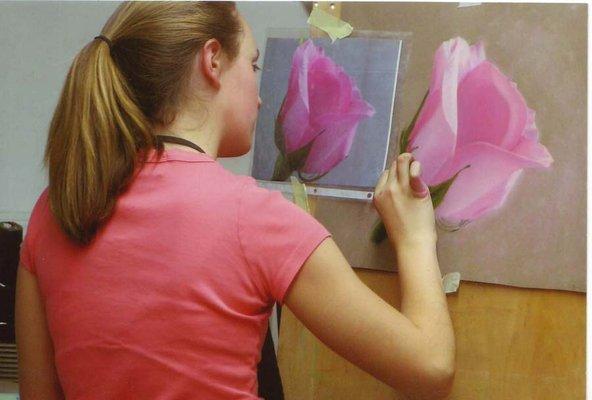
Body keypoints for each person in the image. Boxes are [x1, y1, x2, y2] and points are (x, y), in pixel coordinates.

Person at [15, 2, 455, 399]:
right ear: (212, 60)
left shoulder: (55, 208)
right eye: (254, 65)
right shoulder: (256, 218)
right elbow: (429, 368)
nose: (262, 97)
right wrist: (415, 239)